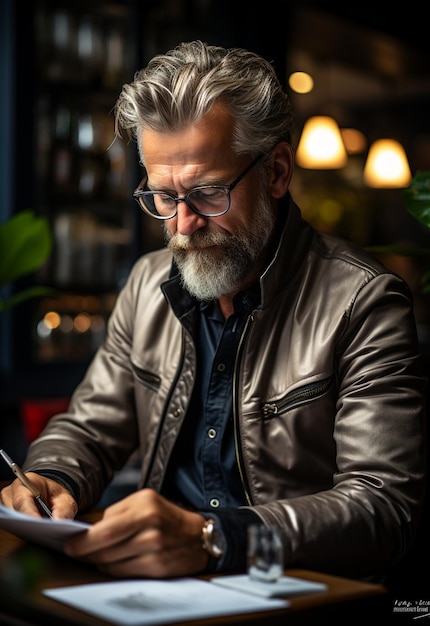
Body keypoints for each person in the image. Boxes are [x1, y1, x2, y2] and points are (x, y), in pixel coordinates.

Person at [0, 40, 426, 584]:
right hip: (157, 586)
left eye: (206, 193)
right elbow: (90, 427)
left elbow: (383, 509)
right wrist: (51, 475)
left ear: (275, 173)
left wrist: (214, 539)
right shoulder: (147, 284)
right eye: (162, 196)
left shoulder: (363, 302)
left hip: (292, 594)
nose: (182, 225)